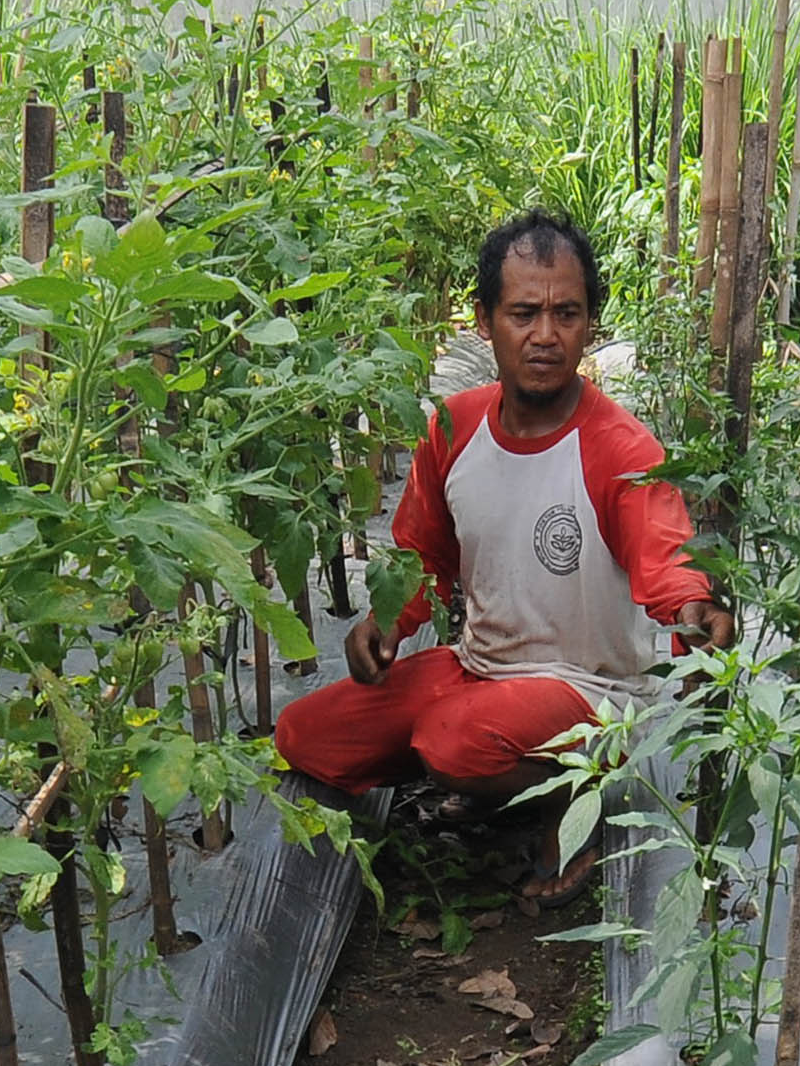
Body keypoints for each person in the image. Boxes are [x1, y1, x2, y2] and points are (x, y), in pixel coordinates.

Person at [273, 207, 731, 890]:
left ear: (589, 324)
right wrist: (386, 623)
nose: (545, 336)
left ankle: (569, 804)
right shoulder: (454, 428)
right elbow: (421, 554)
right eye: (523, 314)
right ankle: (491, 767)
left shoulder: (620, 448)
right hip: (479, 667)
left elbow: (664, 553)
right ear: (484, 321)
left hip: (592, 691)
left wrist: (695, 608)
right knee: (305, 734)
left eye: (567, 314)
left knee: (453, 743)